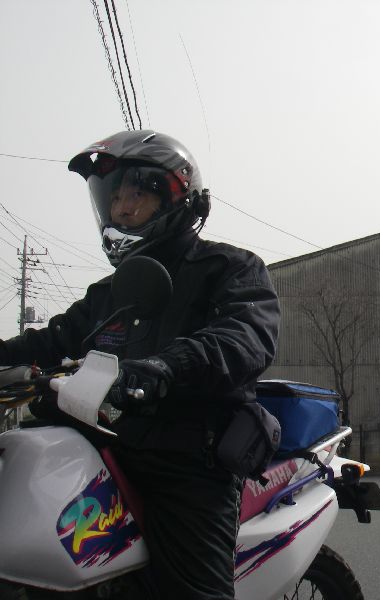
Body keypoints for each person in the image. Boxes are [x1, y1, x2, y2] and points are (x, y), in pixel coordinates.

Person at [0, 130, 280, 599]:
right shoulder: (108, 293)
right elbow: (52, 340)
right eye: (113, 199)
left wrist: (163, 368)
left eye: (135, 195)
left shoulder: (228, 268)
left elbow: (245, 336)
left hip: (185, 459)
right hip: (110, 443)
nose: (121, 210)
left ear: (174, 198)